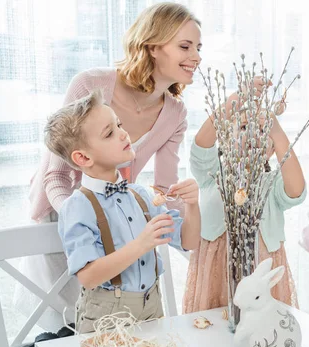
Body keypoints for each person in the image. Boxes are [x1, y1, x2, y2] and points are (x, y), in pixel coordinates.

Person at [14, 2, 202, 330]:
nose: (196, 56)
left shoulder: (175, 113)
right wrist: (87, 211)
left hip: (117, 208)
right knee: (69, 317)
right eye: (185, 46)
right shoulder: (91, 85)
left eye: (198, 47)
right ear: (153, 46)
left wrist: (185, 219)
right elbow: (55, 175)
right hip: (64, 209)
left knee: (112, 314)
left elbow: (163, 191)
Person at [46, 89, 200, 332]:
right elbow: (89, 276)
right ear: (83, 158)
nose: (123, 134)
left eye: (118, 124)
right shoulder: (77, 207)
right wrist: (142, 243)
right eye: (109, 133)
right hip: (106, 322)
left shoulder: (140, 195)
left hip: (153, 311)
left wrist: (192, 204)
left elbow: (189, 240)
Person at [183, 80, 307, 313]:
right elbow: (200, 145)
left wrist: (277, 132)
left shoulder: (272, 185)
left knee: (262, 331)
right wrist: (237, 98)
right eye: (242, 128)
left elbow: (296, 190)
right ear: (224, 138)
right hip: (217, 274)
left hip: (262, 274)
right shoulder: (212, 176)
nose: (251, 136)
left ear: (272, 150)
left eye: (261, 131)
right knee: (215, 331)